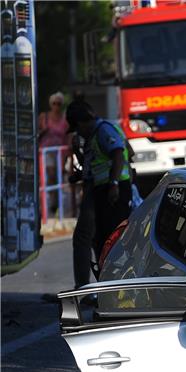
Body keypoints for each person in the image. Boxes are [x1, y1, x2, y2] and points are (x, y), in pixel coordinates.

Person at [66, 100, 132, 288]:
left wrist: (113, 183)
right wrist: (77, 155)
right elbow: (97, 162)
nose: (77, 133)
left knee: (102, 238)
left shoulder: (103, 131)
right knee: (101, 238)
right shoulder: (97, 134)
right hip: (102, 190)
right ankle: (104, 284)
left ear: (80, 123)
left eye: (77, 128)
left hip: (109, 191)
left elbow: (119, 154)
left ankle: (96, 286)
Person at [38, 92, 70, 213]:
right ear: (51, 104)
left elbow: (68, 136)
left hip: (60, 152)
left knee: (58, 178)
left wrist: (68, 153)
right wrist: (43, 131)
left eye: (59, 103)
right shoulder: (44, 117)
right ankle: (49, 204)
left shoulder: (64, 119)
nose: (56, 106)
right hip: (46, 152)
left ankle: (55, 204)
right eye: (54, 103)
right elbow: (36, 133)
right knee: (50, 176)